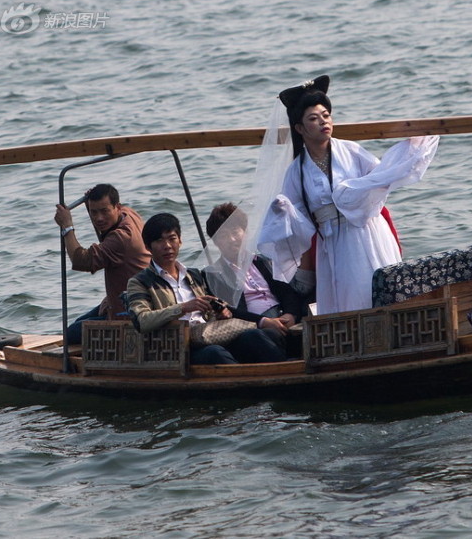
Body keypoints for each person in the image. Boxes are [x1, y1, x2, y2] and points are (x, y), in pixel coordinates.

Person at [258, 75, 440, 315]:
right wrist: (283, 212)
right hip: (332, 242)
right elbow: (301, 222)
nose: (324, 122)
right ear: (300, 128)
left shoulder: (351, 150)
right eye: (313, 119)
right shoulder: (296, 171)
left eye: (326, 115)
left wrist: (407, 153)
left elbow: (381, 178)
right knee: (348, 297)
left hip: (367, 231)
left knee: (377, 287)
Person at [126, 213, 285, 364]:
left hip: (211, 334)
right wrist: (182, 308)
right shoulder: (140, 282)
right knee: (215, 353)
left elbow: (212, 310)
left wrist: (221, 312)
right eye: (160, 241)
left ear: (180, 241)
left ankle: (284, 371)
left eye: (172, 239)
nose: (167, 246)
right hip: (179, 346)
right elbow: (142, 321)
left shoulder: (194, 275)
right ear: (148, 247)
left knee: (254, 336)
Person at [53, 183, 151, 345]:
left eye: (104, 211)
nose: (99, 218)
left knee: (70, 335)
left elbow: (81, 261)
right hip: (127, 297)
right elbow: (107, 240)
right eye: (93, 212)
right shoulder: (129, 214)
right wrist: (88, 204)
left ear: (117, 207)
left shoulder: (121, 238)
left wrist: (67, 227)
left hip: (130, 313)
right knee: (78, 323)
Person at [204, 202, 305, 356]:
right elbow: (231, 310)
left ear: (245, 232)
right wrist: (264, 322)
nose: (232, 239)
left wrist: (290, 314)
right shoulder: (214, 274)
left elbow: (287, 292)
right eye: (224, 236)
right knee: (255, 337)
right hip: (253, 328)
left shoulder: (263, 261)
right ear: (216, 242)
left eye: (235, 232)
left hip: (282, 317)